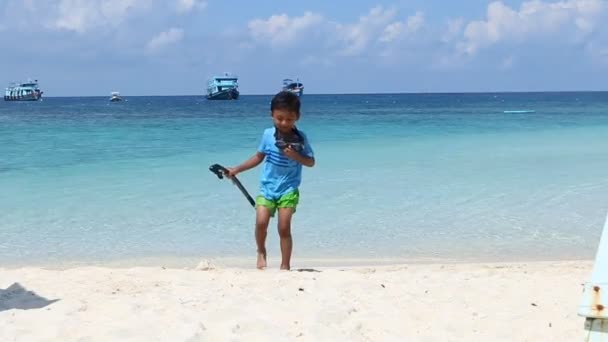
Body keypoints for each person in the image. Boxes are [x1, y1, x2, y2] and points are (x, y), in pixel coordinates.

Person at [227, 91, 315, 270]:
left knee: (284, 227)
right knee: (261, 223)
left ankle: (285, 265)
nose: (284, 123)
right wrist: (236, 169)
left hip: (288, 189)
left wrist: (295, 155)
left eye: (289, 119)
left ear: (297, 117)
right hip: (267, 188)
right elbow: (258, 157)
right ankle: (261, 251)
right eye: (279, 118)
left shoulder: (301, 138)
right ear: (272, 115)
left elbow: (311, 162)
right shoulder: (268, 135)